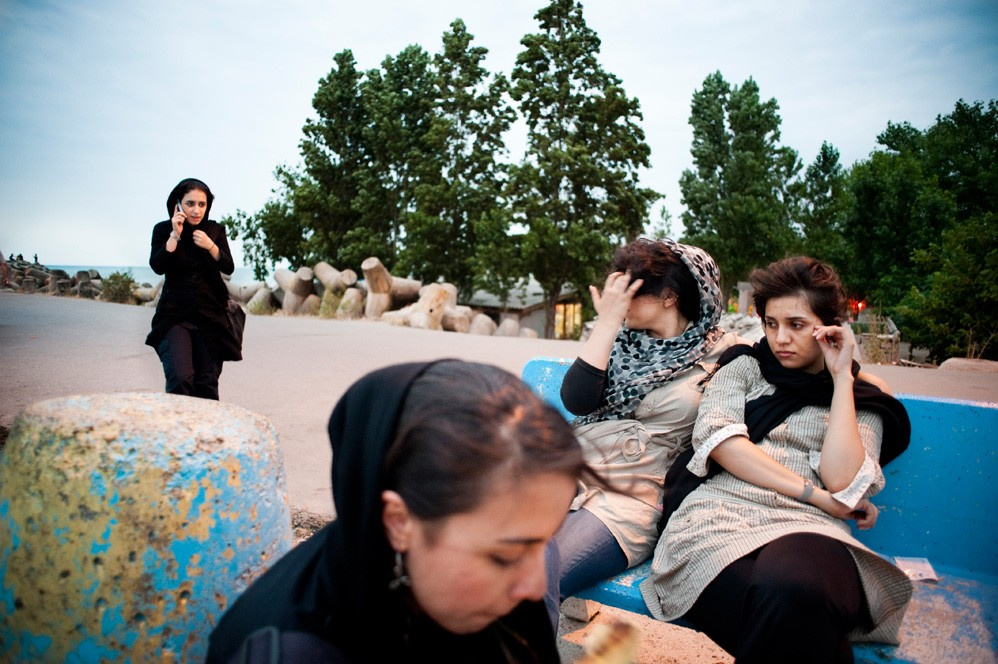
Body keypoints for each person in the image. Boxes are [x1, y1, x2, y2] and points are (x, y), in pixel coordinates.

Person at [206, 359, 604, 663]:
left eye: (547, 541)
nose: (537, 588)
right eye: (505, 557)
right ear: (398, 522)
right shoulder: (291, 650)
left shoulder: (495, 591)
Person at [640, 256, 913, 662]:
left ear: (831, 327)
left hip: (807, 528)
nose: (779, 338)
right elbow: (722, 442)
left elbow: (843, 481)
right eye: (771, 323)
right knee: (802, 616)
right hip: (715, 518)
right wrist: (814, 494)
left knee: (795, 591)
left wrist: (841, 381)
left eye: (796, 325)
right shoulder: (743, 367)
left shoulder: (863, 393)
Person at [544, 238, 742, 625]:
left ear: (668, 295)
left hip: (630, 495)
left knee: (537, 575)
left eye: (627, 292)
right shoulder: (618, 341)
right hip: (569, 469)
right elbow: (577, 400)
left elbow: (799, 371)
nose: (617, 303)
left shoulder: (728, 353)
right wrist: (607, 322)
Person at [145, 178, 238, 400]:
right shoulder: (163, 230)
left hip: (210, 317)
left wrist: (211, 246)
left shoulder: (214, 230)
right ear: (177, 204)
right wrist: (174, 236)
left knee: (206, 384)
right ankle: (180, 432)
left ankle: (207, 434)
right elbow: (158, 266)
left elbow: (228, 266)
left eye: (202, 204)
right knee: (180, 378)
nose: (196, 210)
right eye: (190, 204)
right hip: (174, 316)